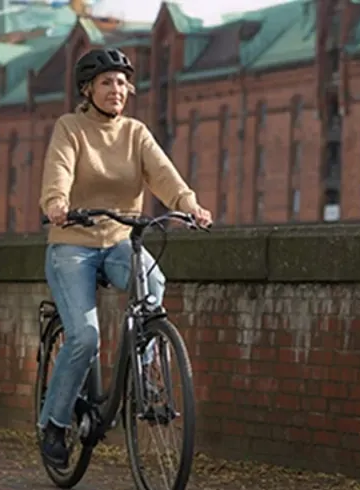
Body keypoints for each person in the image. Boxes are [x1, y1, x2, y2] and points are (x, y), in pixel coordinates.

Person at [37, 47, 212, 468]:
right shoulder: (71, 128)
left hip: (119, 241)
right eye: (105, 82)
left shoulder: (136, 133)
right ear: (87, 89)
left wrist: (190, 205)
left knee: (152, 284)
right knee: (84, 338)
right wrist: (57, 202)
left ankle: (147, 377)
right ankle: (54, 424)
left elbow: (164, 174)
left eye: (121, 83)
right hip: (73, 244)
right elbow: (58, 170)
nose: (116, 90)